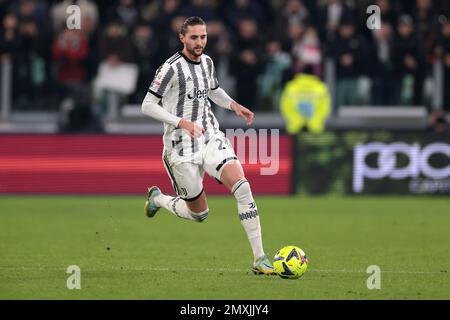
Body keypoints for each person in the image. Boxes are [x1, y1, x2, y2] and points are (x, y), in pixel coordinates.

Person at [140, 16, 275, 275]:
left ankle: (259, 258)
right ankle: (158, 199)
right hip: (180, 147)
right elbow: (147, 105)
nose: (199, 42)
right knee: (199, 214)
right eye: (194, 37)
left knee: (242, 186)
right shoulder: (170, 68)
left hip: (209, 135)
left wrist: (232, 104)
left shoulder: (208, 63)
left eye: (203, 37)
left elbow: (212, 89)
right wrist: (181, 123)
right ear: (182, 38)